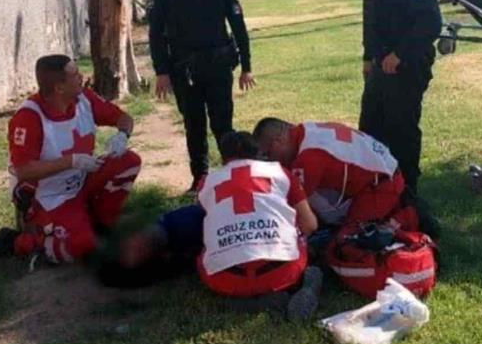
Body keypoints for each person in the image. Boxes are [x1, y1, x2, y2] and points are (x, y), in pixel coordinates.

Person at [102, 131, 323, 321]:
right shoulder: (280, 173)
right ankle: (299, 285)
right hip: (281, 272)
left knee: (208, 240)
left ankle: (240, 302)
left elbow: (211, 216)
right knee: (298, 240)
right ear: (259, 153)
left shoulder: (207, 182)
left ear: (224, 158)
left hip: (225, 279)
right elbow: (310, 224)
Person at [6, 54, 142, 264]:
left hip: (81, 180)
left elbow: (124, 118)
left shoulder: (84, 98)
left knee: (128, 161)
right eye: (75, 75)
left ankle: (100, 222)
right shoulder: (29, 117)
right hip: (49, 196)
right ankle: (33, 239)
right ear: (59, 88)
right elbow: (23, 170)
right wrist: (71, 161)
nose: (81, 77)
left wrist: (122, 135)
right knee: (82, 245)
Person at [148, 0, 255, 194]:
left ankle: (232, 174)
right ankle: (201, 178)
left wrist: (246, 66)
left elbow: (238, 26)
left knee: (223, 124)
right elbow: (155, 33)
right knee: (193, 125)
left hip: (218, 67)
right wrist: (161, 71)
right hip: (185, 70)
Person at [358, 0, 442, 197]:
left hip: (407, 66)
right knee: (370, 126)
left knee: (401, 128)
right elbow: (370, 23)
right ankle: (378, 183)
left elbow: (430, 24)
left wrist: (400, 54)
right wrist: (368, 57)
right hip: (379, 65)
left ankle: (407, 189)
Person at [253, 118, 413, 231]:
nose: (270, 160)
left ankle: (409, 216)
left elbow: (293, 207)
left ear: (279, 141)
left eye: (268, 154)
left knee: (345, 244)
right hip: (380, 173)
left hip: (381, 185)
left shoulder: (308, 157)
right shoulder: (307, 131)